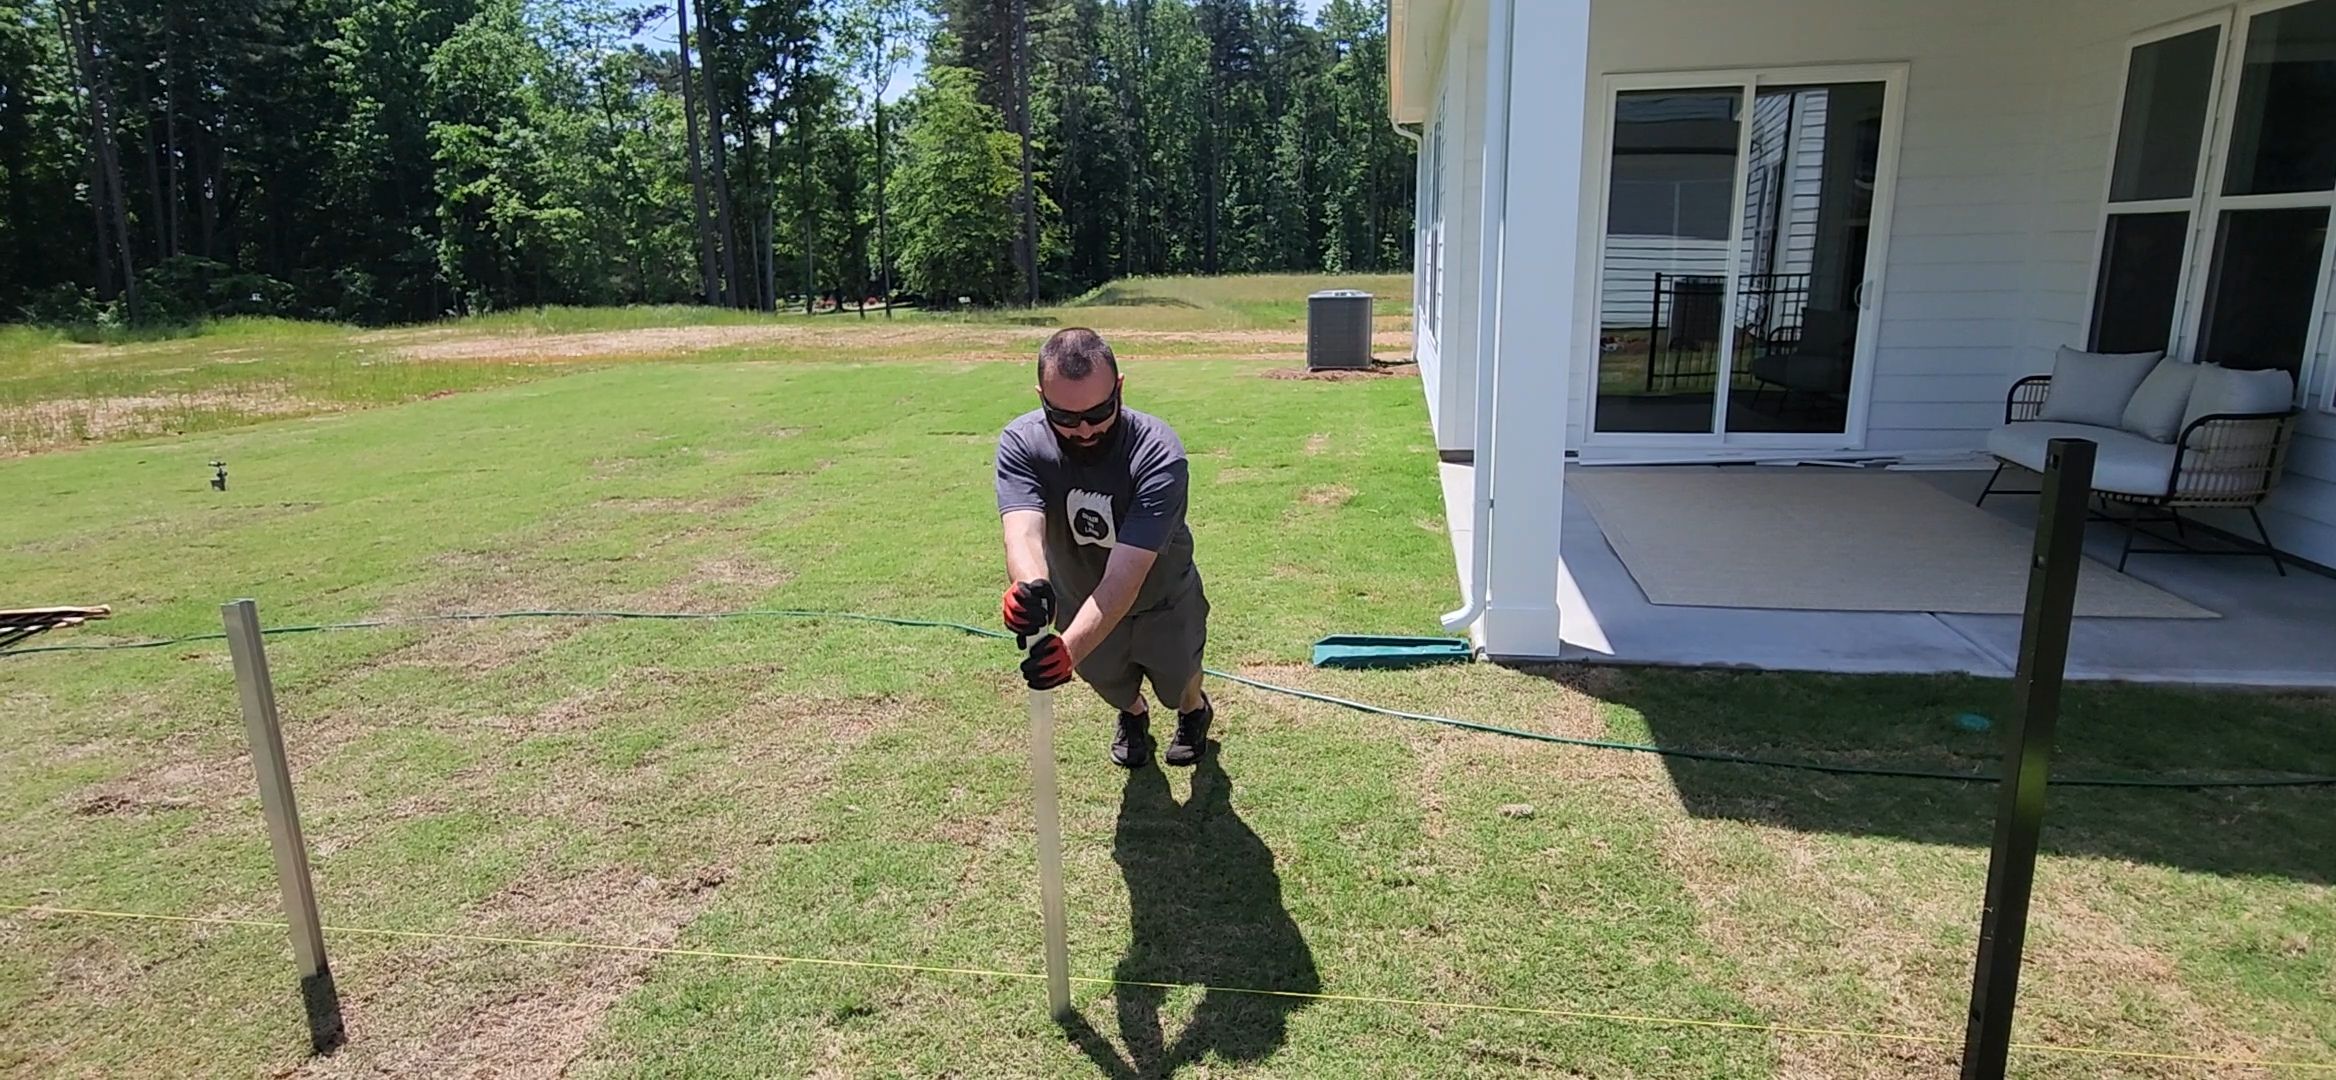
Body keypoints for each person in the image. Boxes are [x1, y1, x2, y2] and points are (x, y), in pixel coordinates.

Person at [996, 327, 1212, 768]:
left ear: (1119, 388)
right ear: (1041, 396)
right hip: (1078, 597)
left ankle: (1194, 710)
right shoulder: (1021, 443)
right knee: (1109, 680)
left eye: (1099, 411)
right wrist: (1029, 585)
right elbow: (1022, 529)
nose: (1085, 429)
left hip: (1162, 599)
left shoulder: (1158, 454)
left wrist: (1068, 651)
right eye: (1065, 417)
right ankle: (1132, 714)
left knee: (1179, 680)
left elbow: (1125, 577)